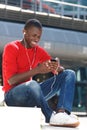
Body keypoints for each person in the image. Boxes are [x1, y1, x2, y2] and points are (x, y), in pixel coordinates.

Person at [2, 19, 80, 127]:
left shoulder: (38, 51)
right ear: (24, 32)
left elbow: (52, 66)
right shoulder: (12, 48)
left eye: (38, 36)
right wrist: (37, 70)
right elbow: (11, 80)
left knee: (69, 73)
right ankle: (49, 116)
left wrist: (57, 67)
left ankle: (62, 114)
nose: (36, 39)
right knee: (33, 84)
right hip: (13, 96)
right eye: (34, 35)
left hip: (32, 95)